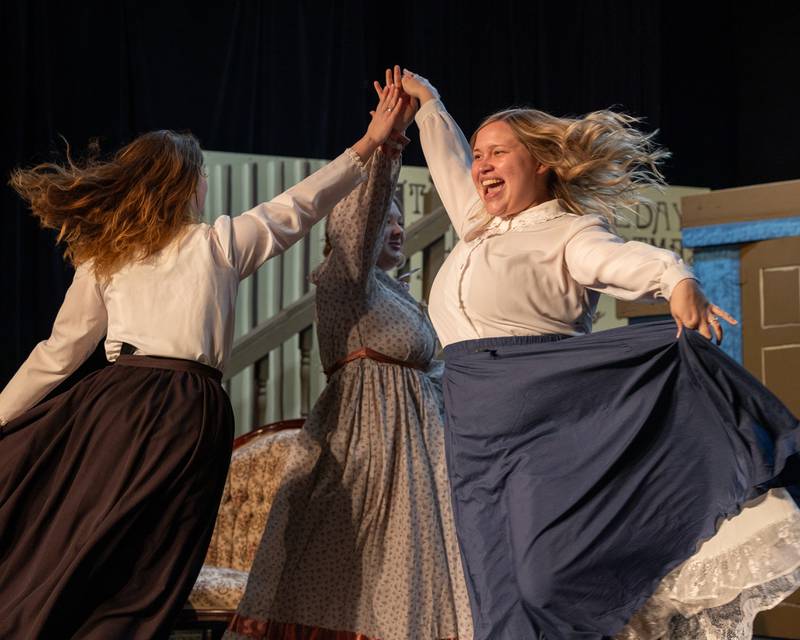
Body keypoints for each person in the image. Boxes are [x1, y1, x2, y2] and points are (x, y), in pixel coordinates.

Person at [398, 66, 800, 640]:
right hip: (470, 425)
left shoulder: (569, 233)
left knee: (545, 579)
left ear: (541, 162)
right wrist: (429, 104)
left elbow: (625, 261)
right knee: (492, 585)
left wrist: (676, 279)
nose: (480, 164)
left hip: (550, 422)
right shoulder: (477, 224)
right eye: (478, 154)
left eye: (498, 153)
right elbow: (448, 163)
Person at [0, 84, 404, 639]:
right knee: (144, 555)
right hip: (176, 407)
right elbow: (302, 205)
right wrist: (367, 146)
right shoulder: (213, 243)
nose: (207, 185)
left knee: (115, 545)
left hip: (127, 405)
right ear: (185, 184)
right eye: (202, 175)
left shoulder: (149, 251)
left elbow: (58, 354)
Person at [225, 69, 473, 640]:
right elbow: (359, 218)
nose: (395, 227)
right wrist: (385, 146)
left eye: (400, 220)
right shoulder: (343, 277)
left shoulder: (395, 293)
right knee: (363, 573)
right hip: (371, 442)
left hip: (415, 445)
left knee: (419, 576)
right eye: (385, 218)